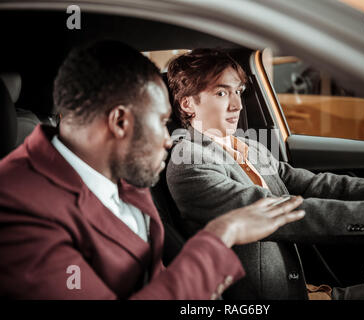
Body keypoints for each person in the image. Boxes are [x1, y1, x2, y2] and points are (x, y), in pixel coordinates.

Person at [0, 41, 307, 299]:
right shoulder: (19, 212)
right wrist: (222, 234)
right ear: (120, 122)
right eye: (161, 123)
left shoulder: (122, 177)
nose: (167, 139)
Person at [165, 48, 364, 299]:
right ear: (188, 103)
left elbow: (317, 185)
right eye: (221, 92)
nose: (237, 105)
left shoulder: (249, 146)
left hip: (309, 288)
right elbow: (274, 213)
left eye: (238, 91)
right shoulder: (189, 164)